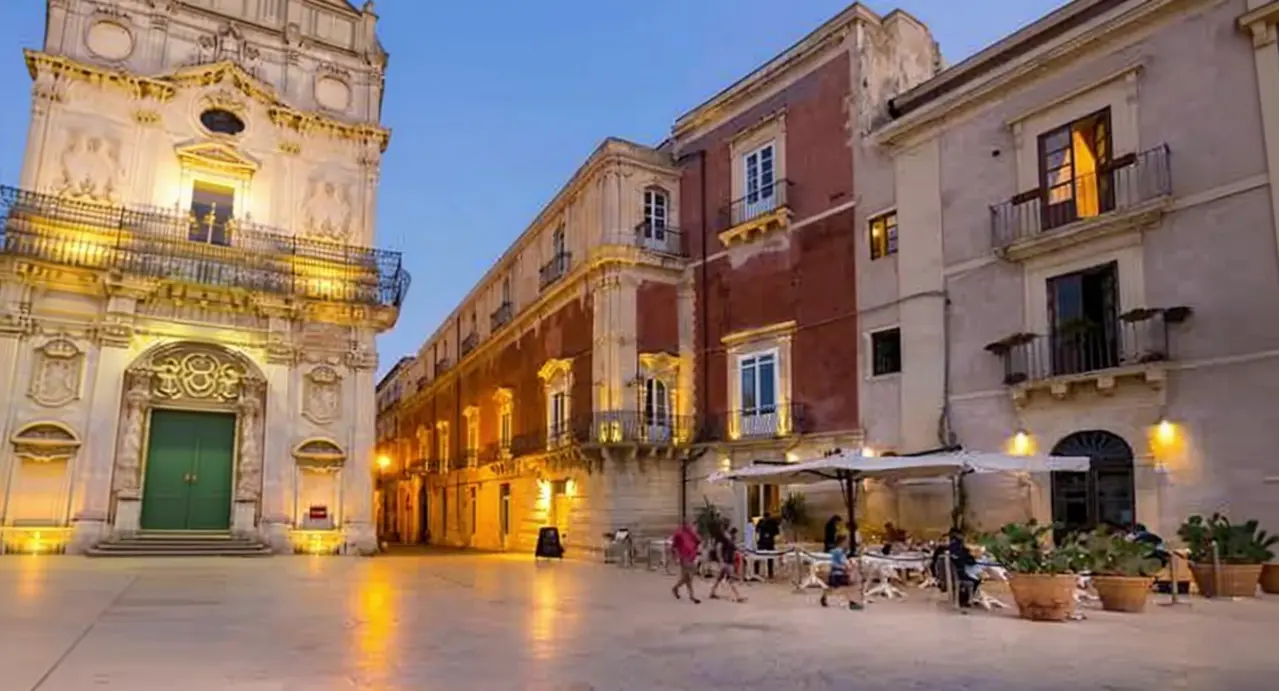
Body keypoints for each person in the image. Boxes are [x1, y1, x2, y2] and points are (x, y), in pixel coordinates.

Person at [819, 536, 864, 610]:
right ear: (842, 542)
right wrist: (846, 567)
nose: (847, 543)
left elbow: (838, 562)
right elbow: (841, 563)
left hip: (834, 574)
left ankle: (825, 596)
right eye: (846, 542)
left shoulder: (836, 551)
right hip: (838, 574)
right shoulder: (839, 552)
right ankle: (853, 602)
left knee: (834, 587)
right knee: (854, 584)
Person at [709, 525, 746, 603]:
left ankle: (712, 592)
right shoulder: (724, 541)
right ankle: (738, 596)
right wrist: (721, 560)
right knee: (730, 579)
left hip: (727, 562)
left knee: (719, 578)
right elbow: (718, 549)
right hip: (727, 563)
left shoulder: (729, 541)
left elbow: (735, 549)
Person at [670, 522, 701, 604]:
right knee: (688, 577)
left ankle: (675, 588)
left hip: (692, 558)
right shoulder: (679, 534)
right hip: (684, 558)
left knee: (686, 578)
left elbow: (698, 542)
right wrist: (675, 558)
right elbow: (673, 547)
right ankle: (692, 596)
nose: (691, 527)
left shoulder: (692, 534)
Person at [755, 513, 780, 579]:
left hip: (763, 542)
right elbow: (777, 532)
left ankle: (758, 572)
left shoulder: (762, 521)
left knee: (761, 556)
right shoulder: (770, 522)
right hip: (767, 542)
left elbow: (757, 530)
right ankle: (769, 573)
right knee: (767, 557)